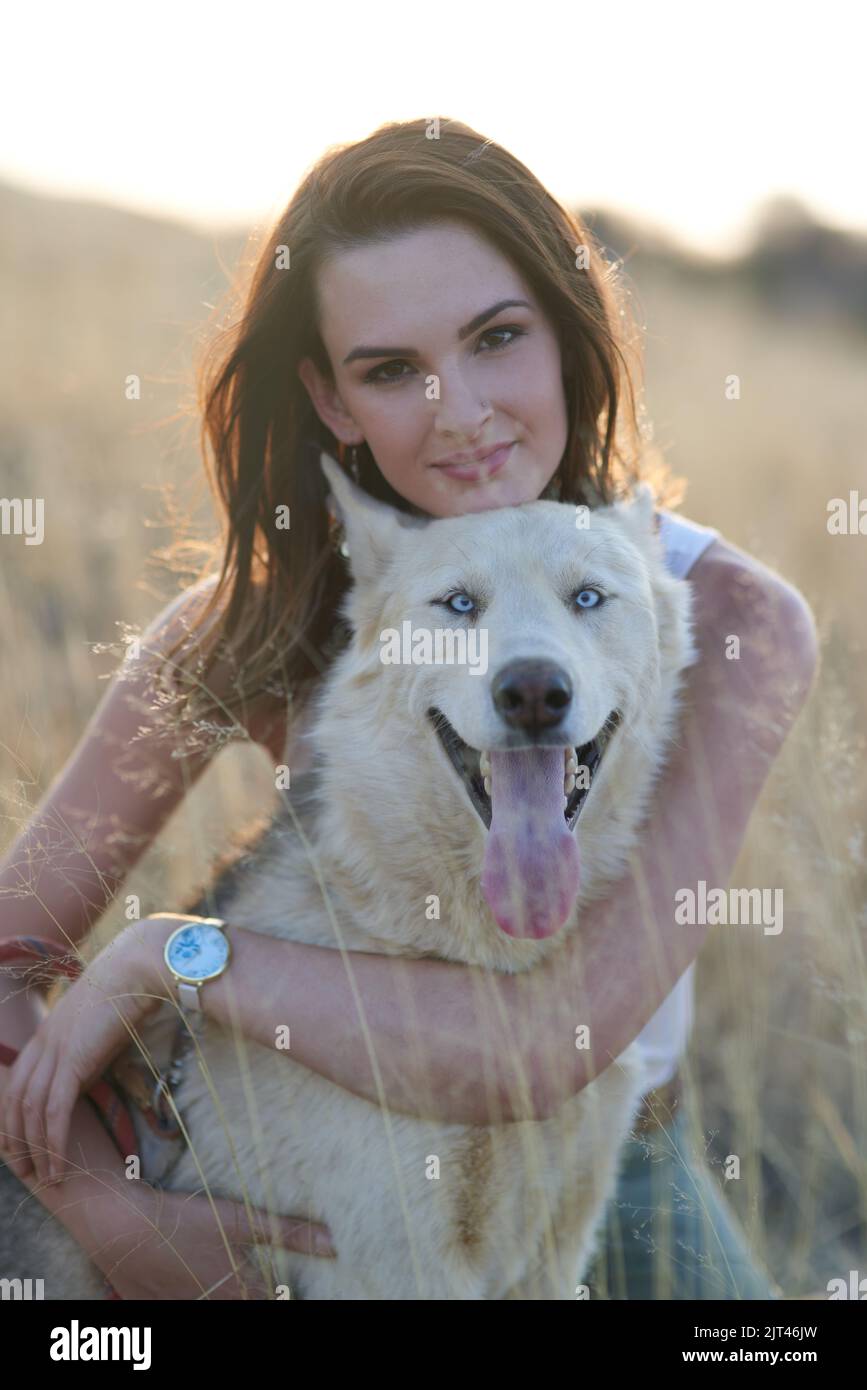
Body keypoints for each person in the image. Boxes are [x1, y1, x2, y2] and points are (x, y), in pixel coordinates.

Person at [0, 117, 817, 1300]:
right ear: (330, 400)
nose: (462, 412)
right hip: (307, 1179)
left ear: (567, 334)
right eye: (391, 371)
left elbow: (553, 1047)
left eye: (496, 338)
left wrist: (170, 957)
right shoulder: (247, 624)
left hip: (611, 1176)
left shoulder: (732, 614)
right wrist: (110, 1215)